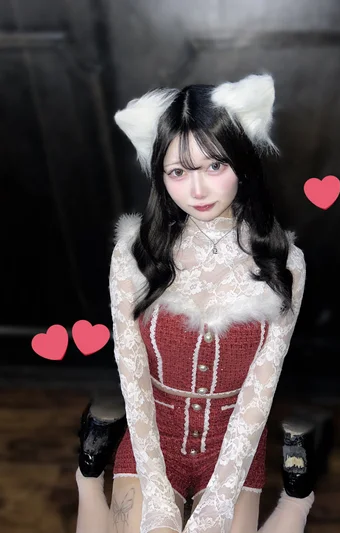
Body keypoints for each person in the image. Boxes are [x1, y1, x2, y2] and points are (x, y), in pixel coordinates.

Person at [75, 73, 315, 533]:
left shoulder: (285, 262)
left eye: (214, 166)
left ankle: (297, 497)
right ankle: (88, 476)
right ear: (161, 176)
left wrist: (219, 502)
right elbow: (132, 372)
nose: (197, 191)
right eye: (179, 172)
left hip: (233, 441)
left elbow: (261, 388)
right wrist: (157, 493)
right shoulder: (133, 254)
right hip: (154, 432)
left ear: (242, 163)